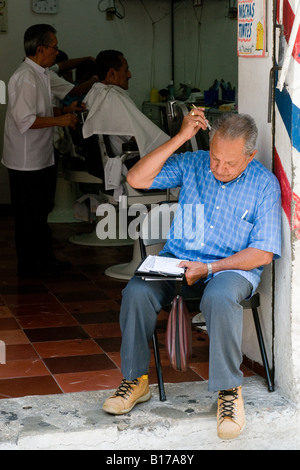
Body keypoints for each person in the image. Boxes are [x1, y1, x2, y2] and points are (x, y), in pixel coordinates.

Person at [102, 111, 282, 441]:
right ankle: (136, 380)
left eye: (230, 163)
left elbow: (262, 253)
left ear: (250, 156)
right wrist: (181, 137)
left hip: (230, 268)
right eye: (215, 158)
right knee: (136, 291)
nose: (219, 169)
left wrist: (211, 268)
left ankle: (229, 391)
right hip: (180, 261)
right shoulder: (195, 163)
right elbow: (137, 179)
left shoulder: (264, 185)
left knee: (219, 295)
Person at [2, 24, 85, 279]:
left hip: (42, 156)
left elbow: (45, 112)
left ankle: (46, 260)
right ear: (40, 48)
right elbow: (25, 121)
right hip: (25, 160)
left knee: (41, 212)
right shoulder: (24, 77)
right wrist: (59, 122)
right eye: (54, 47)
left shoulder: (43, 74)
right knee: (28, 216)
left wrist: (65, 112)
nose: (56, 52)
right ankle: (28, 268)